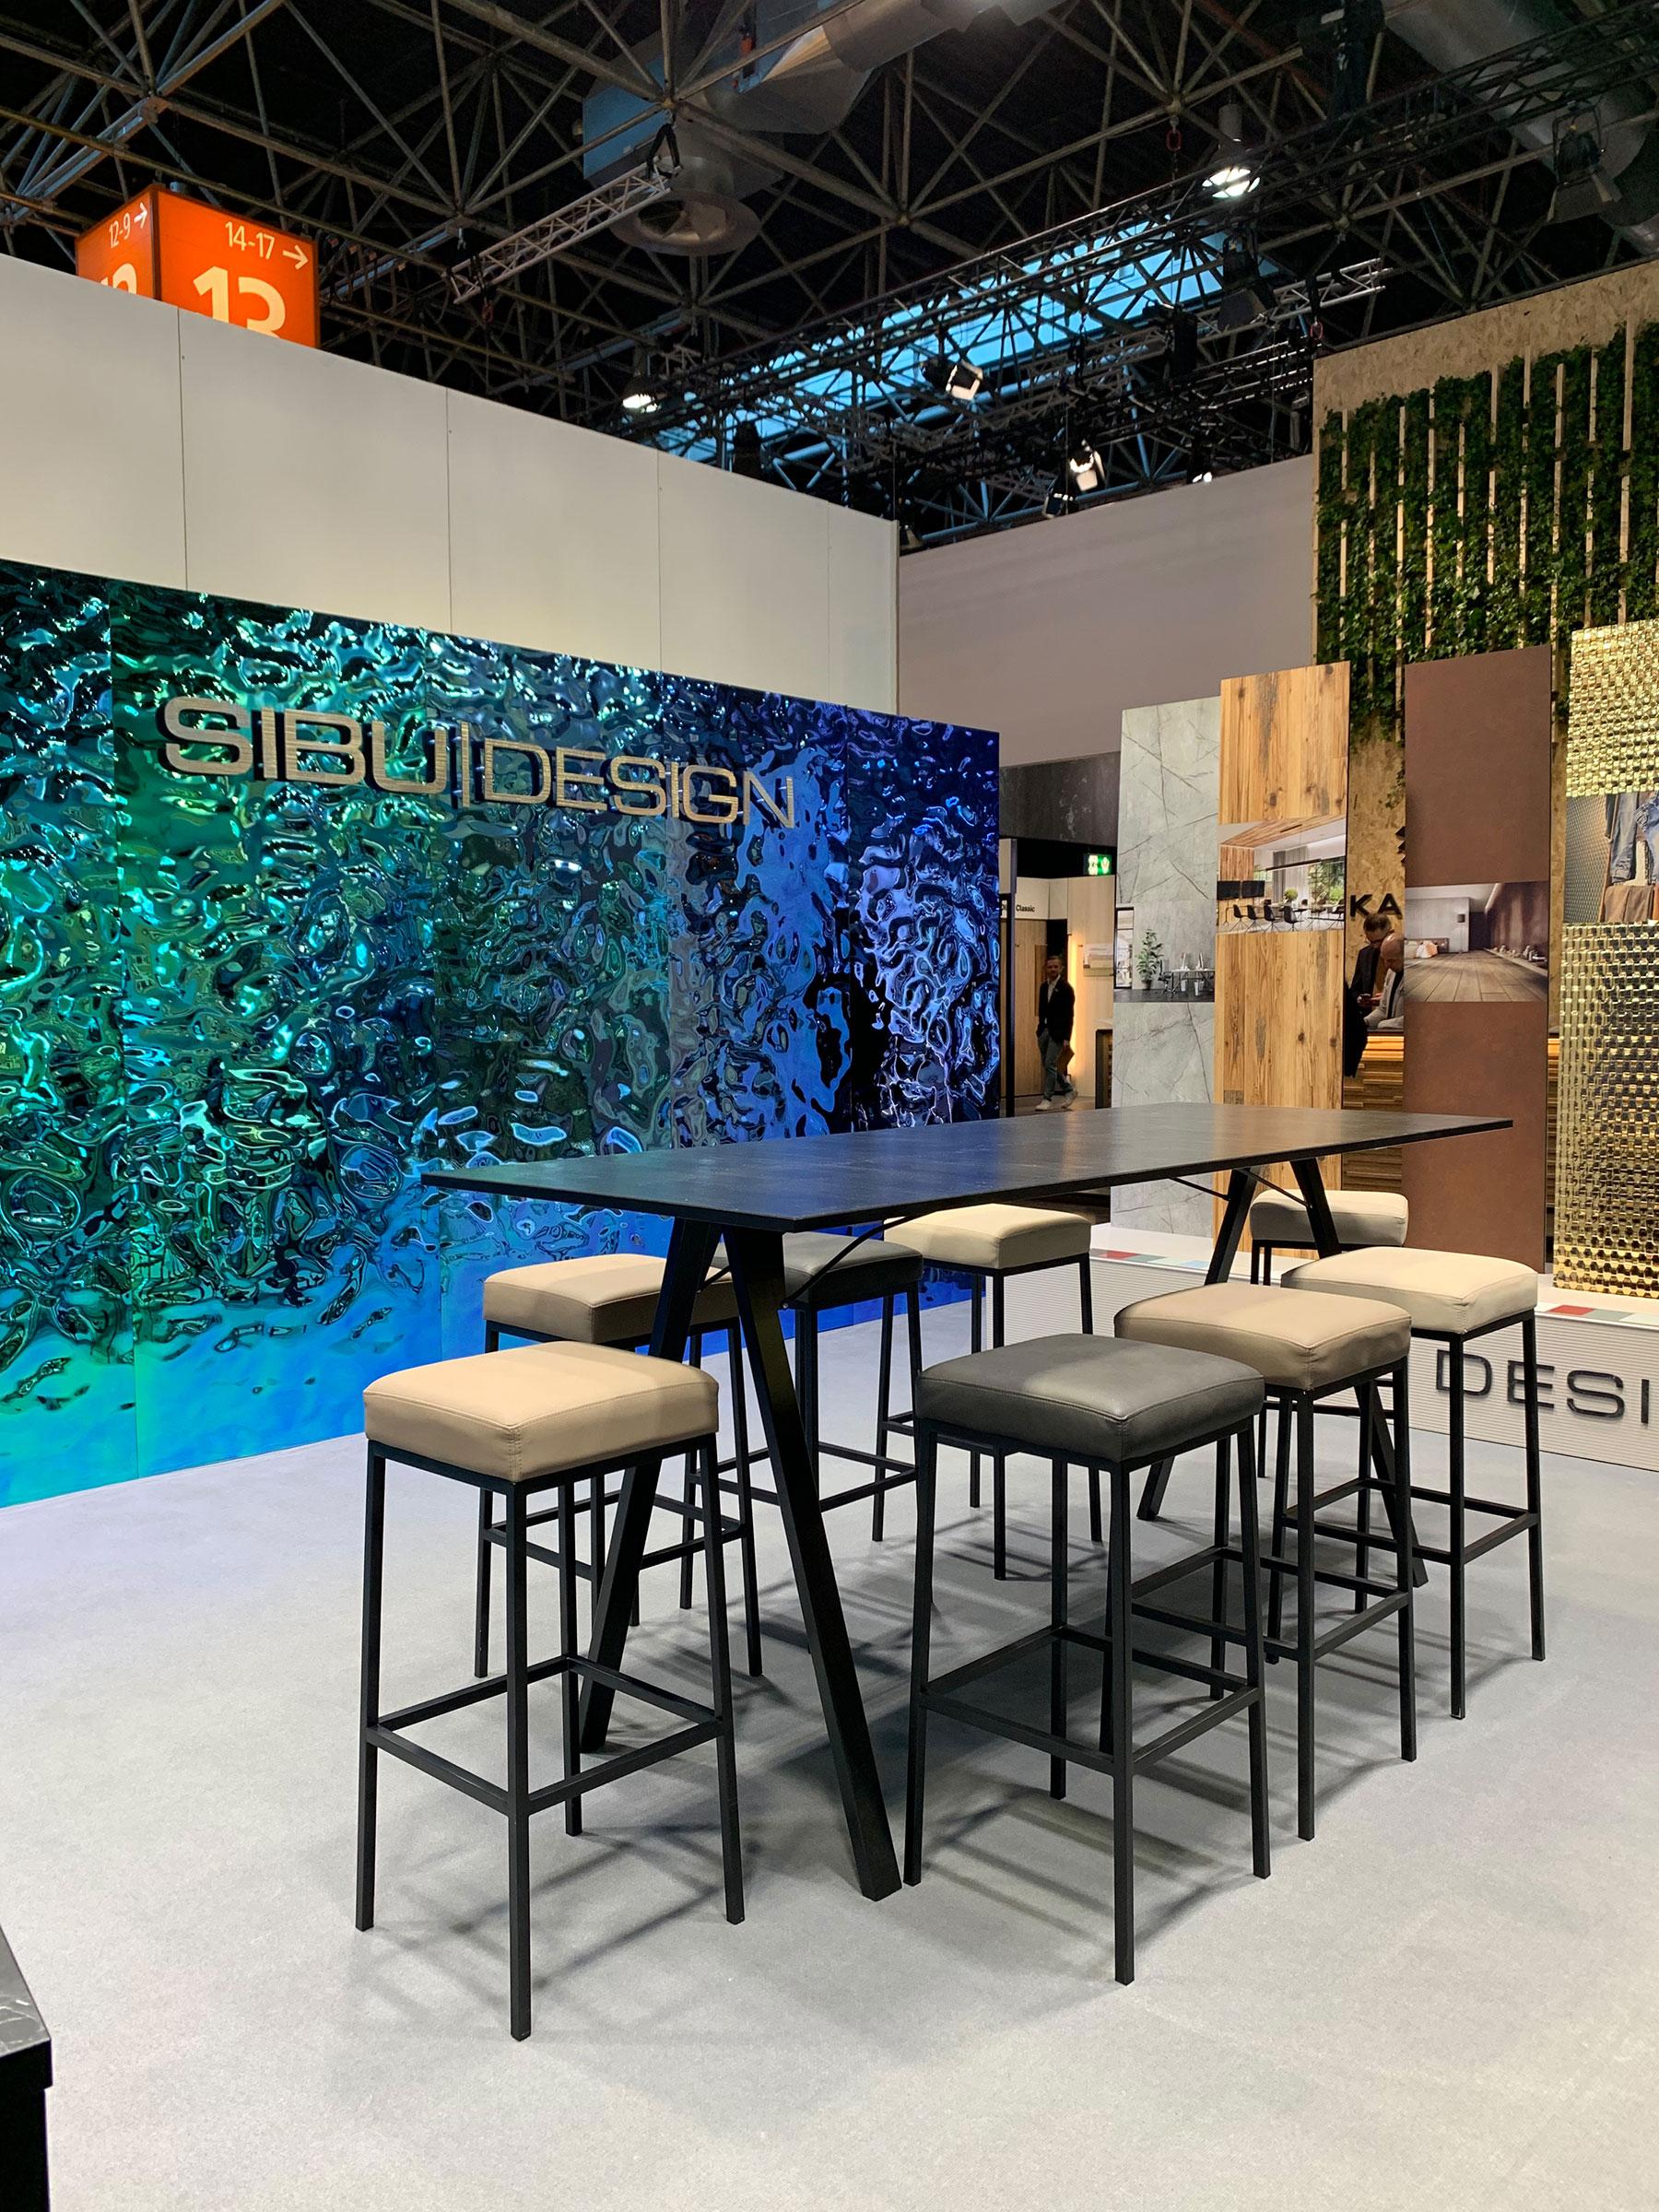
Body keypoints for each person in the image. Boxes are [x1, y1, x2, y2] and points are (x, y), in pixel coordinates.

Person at [1343, 912, 1391, 1078]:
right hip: (1367, 1024)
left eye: (1379, 941)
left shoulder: (1401, 953)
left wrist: (1387, 998)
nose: (1375, 946)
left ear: (1390, 932)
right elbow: (1354, 989)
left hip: (1394, 1026)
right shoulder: (1365, 954)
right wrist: (1359, 999)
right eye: (1371, 942)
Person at [1035, 951, 1076, 1109]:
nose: (1052, 969)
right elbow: (1041, 1010)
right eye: (1050, 967)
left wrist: (1067, 1038)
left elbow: (1069, 1015)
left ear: (1061, 968)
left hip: (1058, 1032)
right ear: (1046, 968)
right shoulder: (1043, 987)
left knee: (1050, 1063)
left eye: (1055, 967)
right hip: (1044, 1031)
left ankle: (1047, 1098)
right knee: (1049, 1066)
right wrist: (1040, 1030)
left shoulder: (1066, 988)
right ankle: (1069, 1089)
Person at [1364, 930, 1405, 1034]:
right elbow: (1383, 1009)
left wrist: (1383, 1024)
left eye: (1391, 960)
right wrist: (1364, 1022)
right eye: (1384, 960)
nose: (1387, 965)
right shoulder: (1391, 973)